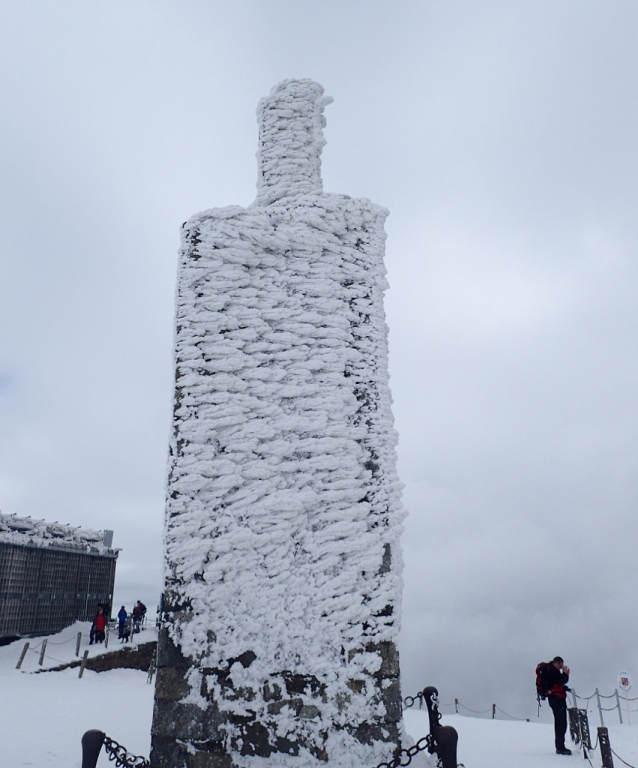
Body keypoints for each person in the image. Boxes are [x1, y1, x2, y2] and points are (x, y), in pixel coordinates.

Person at [546, 656, 571, 755]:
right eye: (561, 665)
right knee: (561, 723)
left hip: (555, 699)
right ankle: (560, 747)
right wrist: (565, 674)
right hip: (557, 700)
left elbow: (557, 684)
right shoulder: (552, 671)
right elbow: (561, 681)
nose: (561, 667)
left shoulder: (550, 670)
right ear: (557, 663)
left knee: (560, 722)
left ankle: (560, 746)